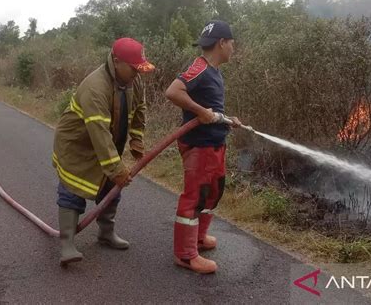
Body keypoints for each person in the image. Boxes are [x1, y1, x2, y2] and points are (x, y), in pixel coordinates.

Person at [53, 37, 154, 266]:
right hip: (77, 145)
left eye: (140, 69)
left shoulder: (133, 81)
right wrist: (116, 168)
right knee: (73, 189)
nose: (138, 74)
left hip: (106, 142)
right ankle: (67, 243)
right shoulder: (95, 87)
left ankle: (106, 233)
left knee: (111, 188)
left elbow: (140, 109)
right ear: (116, 62)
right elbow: (98, 132)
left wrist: (137, 138)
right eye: (134, 69)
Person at [165, 20, 241, 274]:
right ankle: (185, 255)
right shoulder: (200, 68)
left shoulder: (215, 71)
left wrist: (228, 120)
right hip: (199, 146)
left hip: (214, 144)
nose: (233, 48)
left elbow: (212, 109)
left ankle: (197, 238)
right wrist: (199, 111)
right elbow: (173, 92)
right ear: (222, 43)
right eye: (232, 43)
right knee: (194, 197)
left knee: (212, 193)